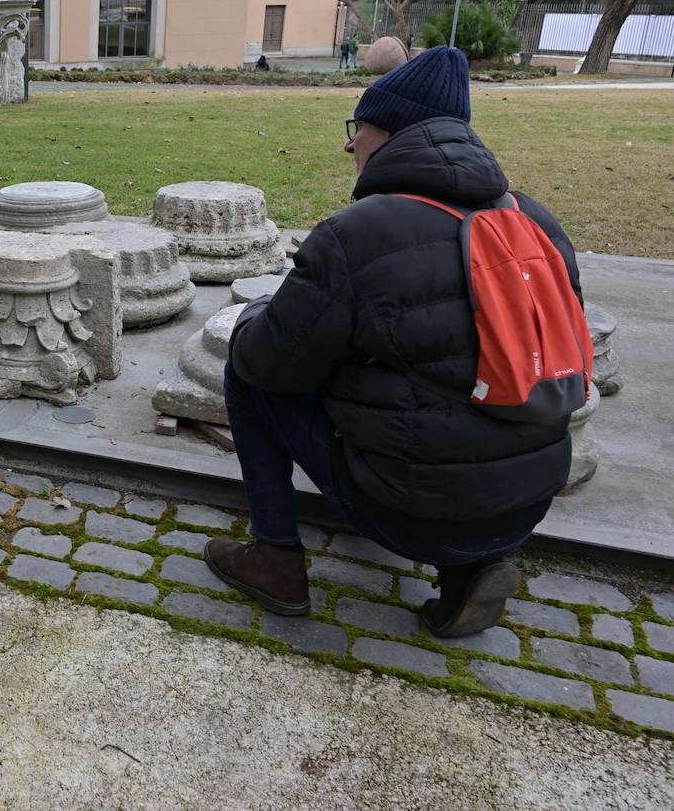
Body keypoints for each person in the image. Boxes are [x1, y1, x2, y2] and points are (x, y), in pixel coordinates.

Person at [202, 46, 583, 637]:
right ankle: (472, 568)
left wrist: (259, 312)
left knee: (244, 376)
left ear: (391, 133)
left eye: (359, 128)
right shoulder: (536, 222)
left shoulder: (358, 234)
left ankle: (275, 559)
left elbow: (269, 361)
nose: (350, 145)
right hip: (527, 506)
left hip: (407, 511)